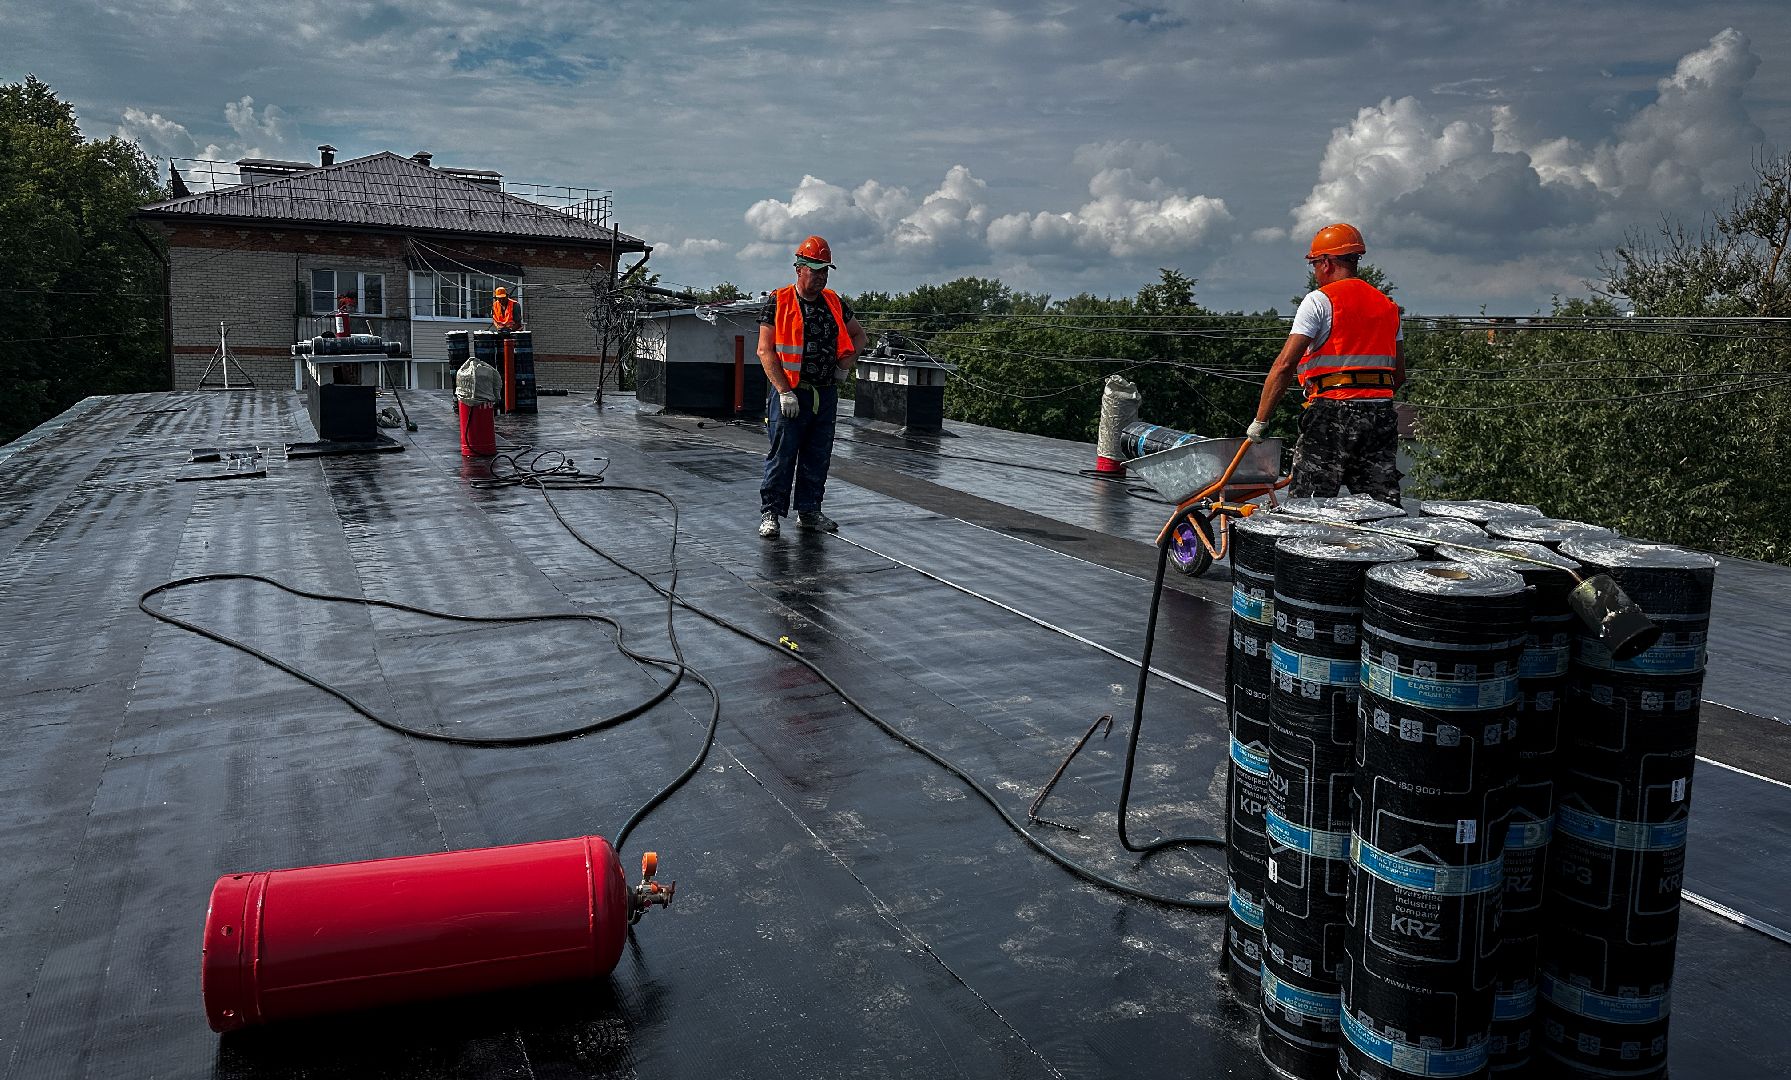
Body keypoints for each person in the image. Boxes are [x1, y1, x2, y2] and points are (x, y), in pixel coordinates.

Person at [1245, 222, 1405, 505]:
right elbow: (1399, 375)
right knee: (1380, 507)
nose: (1316, 272)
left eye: (1315, 264)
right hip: (1380, 415)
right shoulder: (1387, 306)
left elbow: (1284, 366)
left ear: (1327, 263)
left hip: (1332, 413)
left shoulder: (1319, 301)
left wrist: (1260, 421)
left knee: (1310, 505)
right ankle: (1390, 549)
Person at [756, 235, 868, 538]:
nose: (820, 277)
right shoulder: (778, 301)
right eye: (815, 270)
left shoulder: (833, 302)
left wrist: (844, 365)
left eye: (825, 271)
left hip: (824, 394)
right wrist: (783, 391)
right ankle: (771, 514)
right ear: (799, 269)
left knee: (817, 455)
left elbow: (860, 337)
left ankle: (809, 511)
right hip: (792, 393)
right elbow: (765, 351)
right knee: (783, 455)